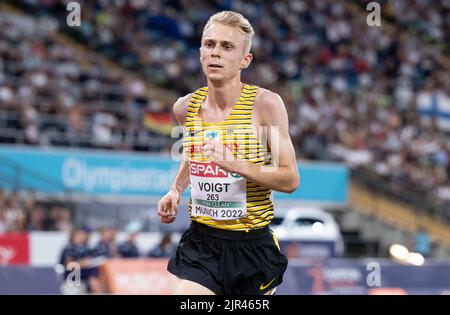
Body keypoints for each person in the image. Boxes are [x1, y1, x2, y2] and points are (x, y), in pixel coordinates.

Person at [157, 11, 299, 295]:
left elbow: (289, 179)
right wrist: (176, 189)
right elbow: (194, 153)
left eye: (227, 46)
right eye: (209, 45)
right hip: (202, 244)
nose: (215, 53)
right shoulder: (185, 108)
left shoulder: (265, 106)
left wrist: (236, 163)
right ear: (200, 53)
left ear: (245, 60)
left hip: (251, 247)